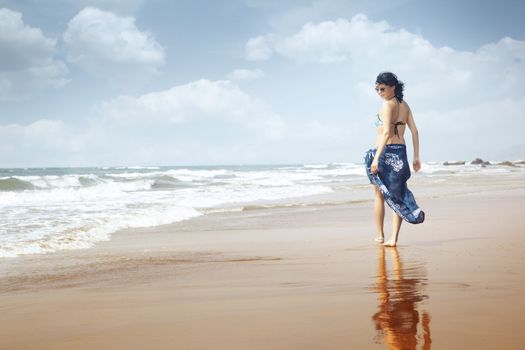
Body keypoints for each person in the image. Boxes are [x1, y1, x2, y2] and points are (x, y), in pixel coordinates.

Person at [364, 72, 425, 247]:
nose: (379, 92)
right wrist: (416, 156)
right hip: (401, 151)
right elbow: (415, 131)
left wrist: (375, 158)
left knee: (378, 194)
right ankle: (393, 238)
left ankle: (380, 235)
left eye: (382, 88)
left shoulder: (387, 105)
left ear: (393, 87)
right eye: (376, 89)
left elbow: (386, 133)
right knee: (397, 194)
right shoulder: (404, 105)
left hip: (385, 152)